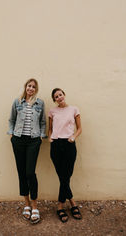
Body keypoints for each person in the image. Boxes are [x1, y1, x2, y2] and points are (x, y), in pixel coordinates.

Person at [8, 78, 46, 224]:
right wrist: (11, 134)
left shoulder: (40, 103)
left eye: (34, 87)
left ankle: (35, 205)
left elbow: (43, 121)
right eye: (29, 86)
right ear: (25, 87)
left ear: (36, 89)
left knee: (30, 172)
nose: (31, 88)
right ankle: (26, 204)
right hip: (18, 140)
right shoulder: (17, 102)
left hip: (33, 141)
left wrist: (41, 136)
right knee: (21, 171)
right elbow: (11, 119)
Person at [48, 88, 82, 222]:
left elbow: (79, 128)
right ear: (54, 99)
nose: (59, 97)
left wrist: (73, 137)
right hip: (56, 145)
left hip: (69, 144)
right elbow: (50, 128)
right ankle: (72, 203)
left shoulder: (74, 109)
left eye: (60, 95)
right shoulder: (52, 111)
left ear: (64, 95)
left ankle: (60, 206)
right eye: (56, 96)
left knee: (66, 176)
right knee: (63, 177)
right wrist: (50, 138)